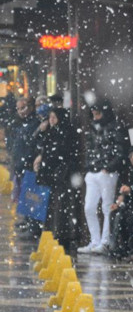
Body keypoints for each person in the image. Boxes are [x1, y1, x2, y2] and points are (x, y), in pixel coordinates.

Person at [79, 99, 130, 254]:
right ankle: (96, 241)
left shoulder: (115, 128)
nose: (95, 117)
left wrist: (108, 167)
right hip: (97, 171)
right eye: (93, 114)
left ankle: (104, 241)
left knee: (106, 207)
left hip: (105, 172)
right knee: (90, 207)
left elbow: (121, 151)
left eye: (97, 114)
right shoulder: (98, 129)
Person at [32, 107, 82, 257]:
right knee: (53, 207)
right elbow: (38, 144)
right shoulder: (51, 132)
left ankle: (62, 235)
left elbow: (62, 153)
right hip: (52, 175)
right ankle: (53, 234)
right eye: (50, 117)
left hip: (62, 176)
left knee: (62, 207)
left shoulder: (66, 133)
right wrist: (41, 131)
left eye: (54, 117)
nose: (52, 120)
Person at [6, 97, 39, 219]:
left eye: (23, 108)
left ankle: (31, 224)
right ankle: (27, 221)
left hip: (28, 164)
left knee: (31, 196)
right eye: (18, 109)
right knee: (24, 194)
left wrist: (27, 160)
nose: (21, 111)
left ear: (30, 107)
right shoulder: (19, 122)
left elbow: (31, 145)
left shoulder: (33, 122)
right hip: (21, 164)